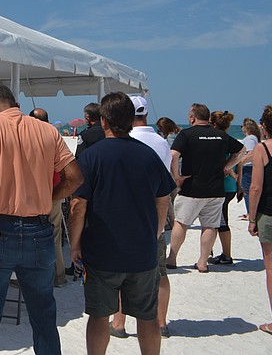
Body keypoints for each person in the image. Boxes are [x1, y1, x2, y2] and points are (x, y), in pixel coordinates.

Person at [0, 85, 83, 355]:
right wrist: (49, 197)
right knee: (43, 315)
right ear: (15, 104)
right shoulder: (47, 131)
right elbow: (75, 177)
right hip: (38, 230)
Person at [68, 93, 175, 355]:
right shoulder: (148, 155)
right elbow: (163, 199)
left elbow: (78, 206)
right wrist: (156, 231)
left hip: (102, 252)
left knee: (98, 316)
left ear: (103, 121)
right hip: (142, 250)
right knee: (147, 317)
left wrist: (74, 244)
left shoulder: (92, 156)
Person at [106, 95, 175, 339]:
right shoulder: (161, 142)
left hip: (124, 215)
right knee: (160, 271)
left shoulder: (125, 140)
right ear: (145, 114)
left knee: (122, 274)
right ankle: (161, 322)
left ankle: (119, 322)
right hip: (152, 214)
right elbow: (165, 187)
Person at [166, 103, 244, 273]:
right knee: (209, 226)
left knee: (181, 223)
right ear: (208, 118)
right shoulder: (220, 135)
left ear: (192, 118)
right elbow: (242, 151)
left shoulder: (186, 134)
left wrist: (177, 176)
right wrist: (227, 167)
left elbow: (173, 154)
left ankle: (172, 258)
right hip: (216, 188)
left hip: (192, 188)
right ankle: (202, 262)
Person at [29, 108, 68, 289]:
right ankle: (58, 277)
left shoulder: (28, 139)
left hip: (34, 194)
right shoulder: (54, 137)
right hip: (54, 192)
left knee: (30, 237)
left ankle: (36, 279)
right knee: (54, 236)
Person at [248, 105, 272, 336]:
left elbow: (255, 187)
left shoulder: (262, 148)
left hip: (270, 214)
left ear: (264, 127)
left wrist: (252, 218)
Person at [209, 110, 240, 265]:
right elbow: (240, 159)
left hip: (222, 186)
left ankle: (227, 255)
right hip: (230, 187)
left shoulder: (221, 141)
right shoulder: (230, 140)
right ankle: (212, 250)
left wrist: (225, 169)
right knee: (217, 220)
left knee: (221, 222)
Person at [238, 118, 261, 219]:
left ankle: (250, 213)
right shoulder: (253, 138)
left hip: (248, 168)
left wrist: (240, 163)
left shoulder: (250, 139)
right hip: (249, 167)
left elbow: (251, 153)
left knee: (247, 191)